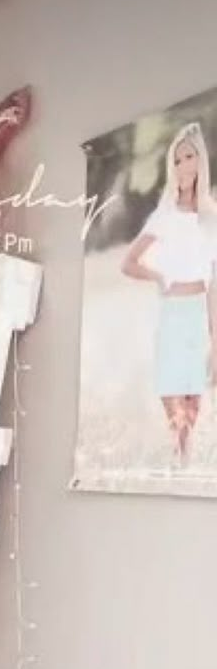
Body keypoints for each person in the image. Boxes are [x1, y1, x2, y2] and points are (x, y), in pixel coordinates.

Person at [122, 121, 217, 463]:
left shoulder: (210, 218)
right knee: (172, 401)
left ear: (200, 161)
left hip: (197, 316)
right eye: (176, 160)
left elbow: (214, 283)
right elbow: (128, 262)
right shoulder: (163, 215)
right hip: (172, 316)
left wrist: (215, 341)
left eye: (189, 157)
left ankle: (184, 463)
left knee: (193, 407)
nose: (183, 166)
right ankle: (178, 459)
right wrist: (159, 277)